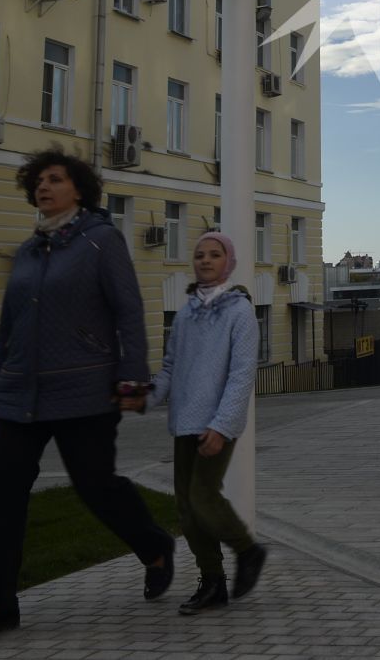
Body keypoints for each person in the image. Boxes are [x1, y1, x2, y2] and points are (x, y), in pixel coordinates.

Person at [0, 148, 175, 644]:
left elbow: (128, 311)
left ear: (79, 189)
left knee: (97, 487)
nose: (44, 187)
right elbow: (9, 324)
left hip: (84, 391)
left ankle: (154, 545)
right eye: (39, 181)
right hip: (19, 396)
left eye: (55, 179)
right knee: (2, 496)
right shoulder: (31, 249)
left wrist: (132, 379)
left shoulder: (101, 241)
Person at [138, 231, 265, 616]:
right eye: (199, 255)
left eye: (214, 254)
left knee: (203, 498)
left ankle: (248, 550)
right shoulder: (186, 313)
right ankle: (212, 583)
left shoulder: (240, 312)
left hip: (216, 423)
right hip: (185, 422)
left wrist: (223, 425)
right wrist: (145, 397)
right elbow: (171, 367)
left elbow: (242, 374)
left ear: (229, 263)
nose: (205, 260)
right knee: (187, 509)